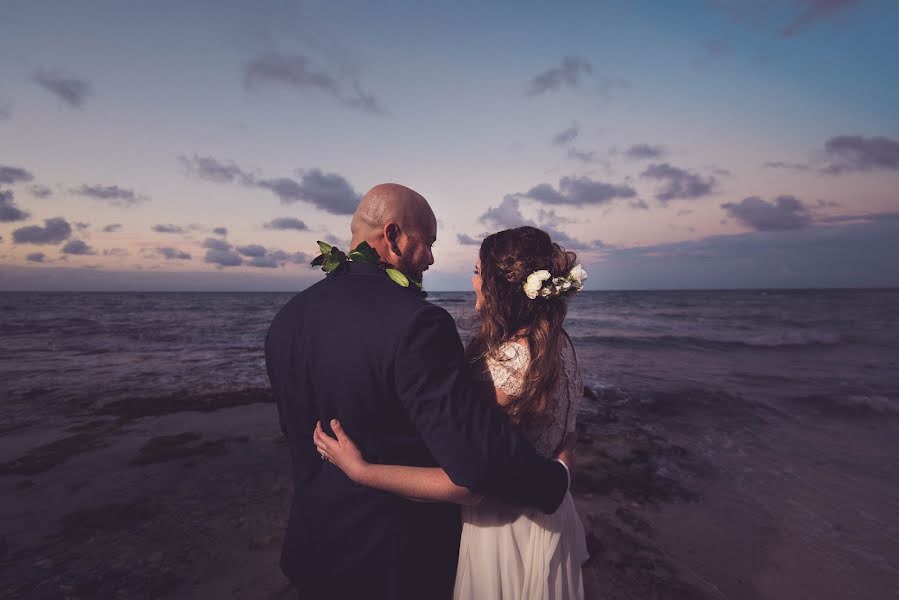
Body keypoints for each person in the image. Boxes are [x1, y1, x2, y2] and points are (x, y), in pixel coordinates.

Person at [264, 185, 571, 600]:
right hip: (394, 566)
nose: (430, 258)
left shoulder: (287, 320)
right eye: (426, 243)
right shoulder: (417, 324)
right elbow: (475, 462)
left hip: (314, 553)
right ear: (392, 237)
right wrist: (553, 480)